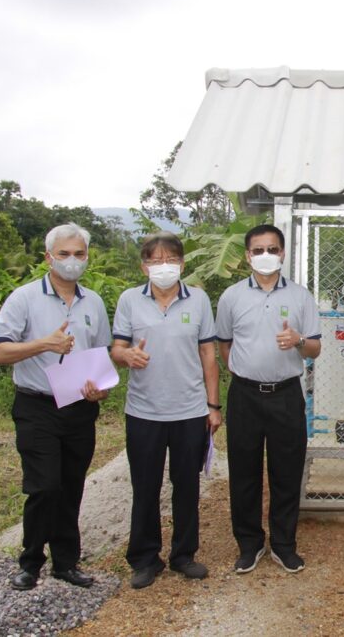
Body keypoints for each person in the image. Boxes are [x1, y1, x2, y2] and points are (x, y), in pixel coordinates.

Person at [0, 223, 111, 591]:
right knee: (44, 486)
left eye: (79, 254)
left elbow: (100, 356)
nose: (72, 260)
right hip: (37, 406)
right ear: (48, 257)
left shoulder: (94, 302)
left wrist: (100, 390)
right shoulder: (24, 298)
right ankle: (30, 561)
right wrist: (44, 344)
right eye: (64, 254)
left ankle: (66, 562)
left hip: (79, 409)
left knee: (71, 486)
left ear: (87, 257)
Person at [111, 232, 222, 589]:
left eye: (171, 259)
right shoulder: (129, 300)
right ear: (144, 266)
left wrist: (213, 405)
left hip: (190, 410)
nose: (164, 266)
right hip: (144, 411)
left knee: (186, 485)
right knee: (145, 486)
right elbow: (117, 348)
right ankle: (145, 559)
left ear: (182, 264)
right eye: (156, 260)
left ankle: (183, 555)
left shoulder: (199, 299)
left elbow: (208, 354)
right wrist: (126, 355)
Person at [216, 224, 321, 574]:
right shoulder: (231, 297)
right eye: (258, 250)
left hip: (286, 395)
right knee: (243, 472)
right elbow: (225, 345)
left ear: (282, 253)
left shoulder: (301, 297)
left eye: (272, 249)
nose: (266, 255)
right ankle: (249, 544)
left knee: (286, 473)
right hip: (244, 396)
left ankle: (284, 545)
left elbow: (315, 348)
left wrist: (299, 341)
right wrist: (244, 371)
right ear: (248, 255)